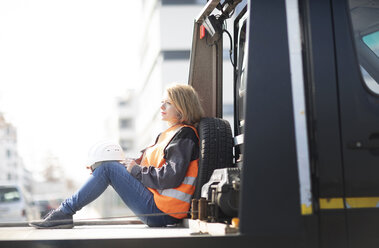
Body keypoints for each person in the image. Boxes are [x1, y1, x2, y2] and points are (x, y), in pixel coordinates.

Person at [29, 84, 204, 228]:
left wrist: (135, 170)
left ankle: (64, 213)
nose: (162, 107)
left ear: (182, 107)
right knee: (105, 167)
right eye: (162, 102)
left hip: (163, 211)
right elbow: (146, 166)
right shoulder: (170, 134)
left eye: (168, 103)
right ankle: (63, 212)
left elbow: (170, 178)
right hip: (159, 205)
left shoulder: (184, 135)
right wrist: (124, 167)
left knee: (107, 169)